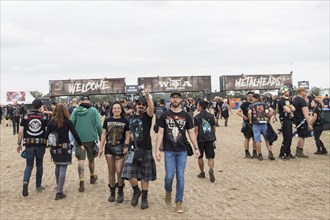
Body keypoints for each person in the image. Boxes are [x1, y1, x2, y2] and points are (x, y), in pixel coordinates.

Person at [156, 90, 200, 213]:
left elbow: (191, 133)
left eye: (177, 98)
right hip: (169, 150)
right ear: (170, 100)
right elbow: (160, 132)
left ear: (181, 100)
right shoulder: (165, 115)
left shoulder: (186, 116)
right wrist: (157, 149)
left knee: (180, 177)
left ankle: (179, 202)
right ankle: (168, 190)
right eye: (173, 98)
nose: (175, 100)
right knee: (169, 176)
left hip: (182, 150)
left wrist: (196, 148)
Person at [121, 88, 156, 210]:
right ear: (135, 105)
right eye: (139, 104)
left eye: (143, 105)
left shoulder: (147, 116)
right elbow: (128, 134)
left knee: (145, 175)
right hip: (132, 149)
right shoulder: (130, 118)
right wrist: (126, 145)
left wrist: (147, 97)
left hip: (145, 149)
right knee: (128, 173)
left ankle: (144, 198)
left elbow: (152, 109)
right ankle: (136, 191)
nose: (141, 106)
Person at [45, 104, 83, 200]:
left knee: (57, 165)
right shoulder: (68, 122)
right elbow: (75, 134)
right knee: (63, 168)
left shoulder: (51, 122)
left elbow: (46, 135)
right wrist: (80, 144)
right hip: (65, 147)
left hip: (54, 147)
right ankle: (59, 192)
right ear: (65, 111)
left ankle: (58, 186)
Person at [98, 101, 130, 203]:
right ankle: (112, 191)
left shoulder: (125, 120)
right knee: (111, 170)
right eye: (114, 108)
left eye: (118, 108)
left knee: (119, 171)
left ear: (121, 110)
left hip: (120, 147)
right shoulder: (107, 120)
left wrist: (126, 146)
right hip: (109, 147)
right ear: (112, 110)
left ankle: (120, 191)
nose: (116, 110)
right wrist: (101, 147)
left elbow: (128, 135)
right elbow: (103, 134)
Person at [16, 99, 49, 197]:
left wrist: (19, 143)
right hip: (40, 144)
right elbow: (47, 130)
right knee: (39, 165)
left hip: (29, 144)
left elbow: (20, 131)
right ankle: (38, 186)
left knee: (29, 165)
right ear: (41, 106)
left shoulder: (26, 116)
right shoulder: (44, 117)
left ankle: (25, 182)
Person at [70, 95, 102, 192]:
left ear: (80, 101)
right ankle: (92, 177)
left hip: (79, 140)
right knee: (91, 160)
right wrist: (101, 137)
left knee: (81, 160)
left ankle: (81, 182)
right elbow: (98, 125)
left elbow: (71, 124)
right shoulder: (93, 110)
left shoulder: (75, 111)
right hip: (91, 139)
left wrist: (74, 137)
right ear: (89, 101)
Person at [194, 100, 216, 182]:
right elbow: (214, 128)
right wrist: (213, 136)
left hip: (200, 139)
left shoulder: (196, 117)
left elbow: (196, 130)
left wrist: (194, 142)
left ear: (200, 106)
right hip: (210, 138)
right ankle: (211, 169)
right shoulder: (211, 116)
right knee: (210, 156)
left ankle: (202, 172)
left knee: (200, 157)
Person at [248, 93, 275, 161]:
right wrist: (269, 117)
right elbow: (272, 111)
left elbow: (249, 113)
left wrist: (250, 120)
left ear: (254, 98)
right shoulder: (265, 104)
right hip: (264, 123)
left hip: (256, 123)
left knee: (257, 140)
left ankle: (260, 154)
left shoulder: (252, 105)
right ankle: (270, 152)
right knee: (267, 138)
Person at [292, 88, 312, 158]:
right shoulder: (302, 100)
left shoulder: (294, 99)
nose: (305, 93)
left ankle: (298, 151)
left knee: (300, 134)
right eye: (304, 92)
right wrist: (309, 123)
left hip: (297, 119)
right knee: (302, 136)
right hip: (302, 120)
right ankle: (300, 151)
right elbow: (305, 113)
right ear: (301, 92)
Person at [236, 92, 257, 158]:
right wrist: (243, 116)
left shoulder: (255, 104)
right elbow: (237, 111)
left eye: (251, 96)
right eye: (249, 96)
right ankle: (247, 152)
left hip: (255, 123)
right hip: (247, 123)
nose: (250, 97)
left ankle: (254, 152)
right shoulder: (244, 104)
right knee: (247, 138)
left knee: (255, 139)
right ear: (247, 96)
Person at [278, 86, 296, 159]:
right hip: (284, 119)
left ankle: (288, 152)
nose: (288, 92)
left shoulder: (288, 99)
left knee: (290, 136)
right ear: (283, 92)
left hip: (289, 119)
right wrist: (290, 108)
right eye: (287, 91)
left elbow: (293, 108)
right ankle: (282, 153)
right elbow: (288, 110)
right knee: (287, 136)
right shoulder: (281, 100)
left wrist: (289, 108)